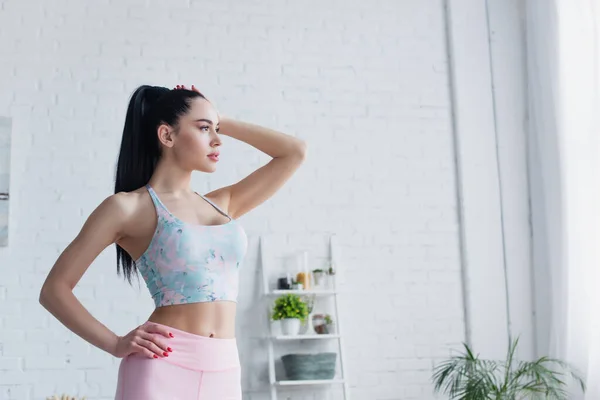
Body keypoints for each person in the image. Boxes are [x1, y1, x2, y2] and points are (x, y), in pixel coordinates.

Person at [39, 84, 307, 399]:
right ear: (167, 136)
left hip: (225, 368)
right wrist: (114, 343)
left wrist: (218, 117)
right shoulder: (127, 208)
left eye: (216, 130)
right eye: (205, 129)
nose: (218, 140)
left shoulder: (223, 203)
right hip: (162, 365)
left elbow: (294, 152)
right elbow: (54, 290)